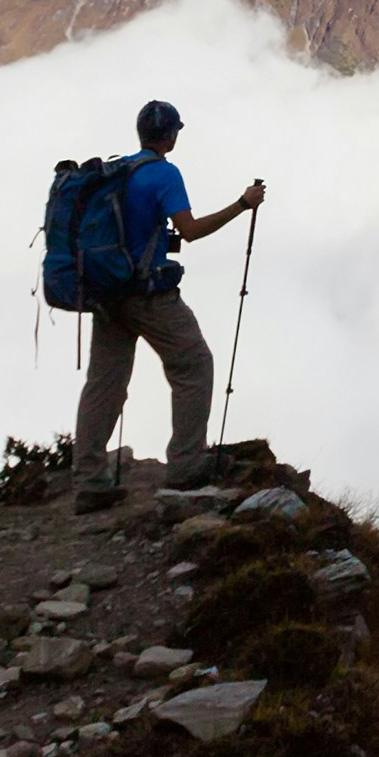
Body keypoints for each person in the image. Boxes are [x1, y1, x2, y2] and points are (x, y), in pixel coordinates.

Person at [73, 98, 264, 513]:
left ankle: (89, 481)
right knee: (194, 364)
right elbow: (191, 231)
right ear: (171, 134)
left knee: (104, 384)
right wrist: (242, 204)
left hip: (107, 291)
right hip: (149, 295)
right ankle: (186, 464)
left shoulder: (119, 170)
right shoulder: (163, 174)